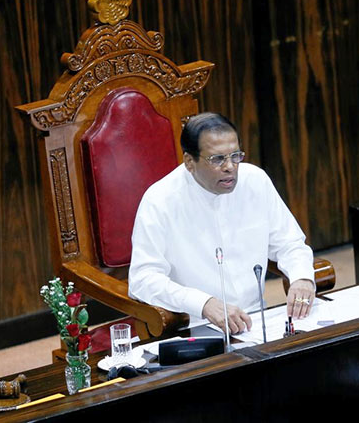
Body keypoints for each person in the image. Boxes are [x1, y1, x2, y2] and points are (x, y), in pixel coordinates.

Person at [128, 112, 315, 334]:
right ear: (190, 162)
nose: (230, 167)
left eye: (235, 156)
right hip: (196, 325)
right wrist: (203, 303)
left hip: (258, 321)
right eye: (217, 159)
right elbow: (143, 279)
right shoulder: (160, 200)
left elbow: (290, 243)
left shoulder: (255, 181)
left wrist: (302, 277)